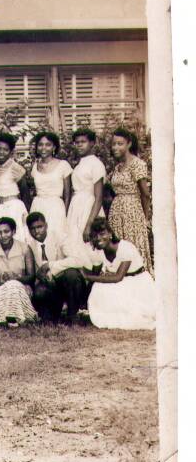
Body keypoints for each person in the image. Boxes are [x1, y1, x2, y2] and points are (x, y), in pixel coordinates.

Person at [82, 218, 155, 330]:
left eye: (102, 234)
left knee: (133, 312)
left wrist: (88, 277)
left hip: (138, 283)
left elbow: (118, 277)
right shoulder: (99, 251)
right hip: (123, 283)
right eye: (95, 235)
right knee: (98, 288)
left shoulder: (125, 247)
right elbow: (96, 271)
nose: (99, 238)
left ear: (110, 234)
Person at [26, 212, 91, 323]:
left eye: (40, 227)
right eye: (33, 229)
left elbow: (77, 260)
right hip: (48, 284)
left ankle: (72, 314)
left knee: (72, 274)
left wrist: (51, 266)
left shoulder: (60, 237)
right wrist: (41, 275)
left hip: (65, 281)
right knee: (39, 291)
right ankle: (52, 315)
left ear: (46, 225)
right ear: (28, 230)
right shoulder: (29, 245)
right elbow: (34, 271)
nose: (37, 231)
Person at [107, 128, 153, 275]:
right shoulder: (118, 167)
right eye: (114, 144)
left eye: (120, 144)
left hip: (132, 212)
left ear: (129, 144)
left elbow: (145, 194)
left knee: (133, 247)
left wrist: (144, 218)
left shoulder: (137, 164)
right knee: (120, 248)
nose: (115, 147)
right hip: (116, 212)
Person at [0, 218, 38, 326]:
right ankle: (0, 321)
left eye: (6, 231)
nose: (3, 236)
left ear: (13, 231)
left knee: (12, 286)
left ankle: (14, 318)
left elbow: (31, 276)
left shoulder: (24, 248)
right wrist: (0, 283)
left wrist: (15, 279)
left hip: (20, 287)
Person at [66, 128, 107, 257]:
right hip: (77, 207)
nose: (79, 145)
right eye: (76, 142)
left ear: (92, 143)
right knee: (75, 246)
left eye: (83, 142)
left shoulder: (96, 164)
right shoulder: (80, 164)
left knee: (90, 248)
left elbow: (99, 197)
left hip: (89, 208)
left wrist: (89, 224)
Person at [29, 131, 72, 241]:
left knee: (56, 239)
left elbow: (67, 195)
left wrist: (65, 214)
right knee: (38, 241)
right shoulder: (35, 166)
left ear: (54, 147)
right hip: (38, 206)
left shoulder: (63, 165)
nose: (44, 148)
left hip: (56, 207)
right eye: (40, 144)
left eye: (48, 145)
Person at [0, 133, 30, 244]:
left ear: (11, 152)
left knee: (16, 240)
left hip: (14, 208)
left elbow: (25, 191)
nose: (1, 152)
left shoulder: (15, 167)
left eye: (5, 150)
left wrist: (27, 214)